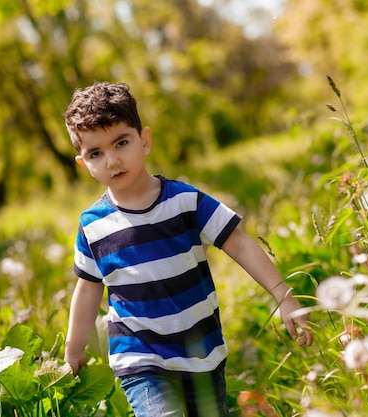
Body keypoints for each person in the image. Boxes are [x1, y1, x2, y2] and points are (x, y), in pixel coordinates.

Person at [62, 81, 313, 417]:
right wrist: (74, 346)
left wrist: (284, 295)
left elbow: (237, 242)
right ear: (83, 163)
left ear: (145, 140)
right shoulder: (93, 225)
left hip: (201, 349)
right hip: (140, 356)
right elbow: (88, 287)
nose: (112, 160)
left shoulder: (183, 201)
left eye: (121, 142)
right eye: (96, 153)